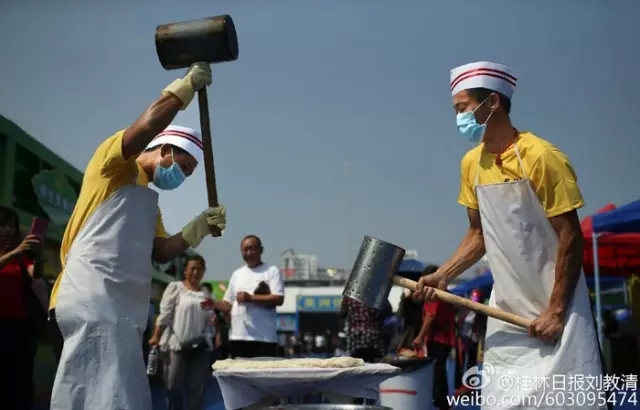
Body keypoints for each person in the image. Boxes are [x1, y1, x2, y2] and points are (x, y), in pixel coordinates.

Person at [414, 61, 605, 408]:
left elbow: (570, 237)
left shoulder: (542, 157)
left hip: (555, 310)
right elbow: (478, 233)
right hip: (507, 309)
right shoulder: (471, 164)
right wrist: (444, 274)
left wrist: (556, 310)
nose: (458, 118)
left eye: (463, 108)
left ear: (493, 104)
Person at [49, 62, 228, 410]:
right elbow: (147, 124)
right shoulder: (114, 165)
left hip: (120, 308)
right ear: (165, 149)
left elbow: (161, 251)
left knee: (115, 394)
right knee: (99, 394)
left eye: (189, 174)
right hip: (92, 295)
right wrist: (183, 90)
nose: (183, 177)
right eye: (183, 167)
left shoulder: (149, 202)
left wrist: (198, 228)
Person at [149, 255, 213, 410]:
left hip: (200, 346)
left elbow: (209, 318)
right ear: (185, 271)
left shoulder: (205, 293)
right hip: (176, 344)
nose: (196, 272)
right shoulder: (175, 287)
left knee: (196, 388)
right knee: (172, 385)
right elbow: (165, 314)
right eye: (193, 268)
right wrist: (156, 335)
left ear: (204, 271)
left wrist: (213, 323)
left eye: (200, 269)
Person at [0, 206, 48, 410]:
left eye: (12, 226)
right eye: (3, 225)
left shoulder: (19, 255)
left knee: (20, 379)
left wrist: (38, 255)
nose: (8, 230)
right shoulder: (15, 253)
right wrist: (16, 252)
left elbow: (35, 274)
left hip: (20, 325)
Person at [211, 235, 284, 358]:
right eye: (244, 249)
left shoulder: (271, 271)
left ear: (261, 250)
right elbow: (228, 304)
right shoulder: (237, 274)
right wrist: (212, 303)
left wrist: (251, 298)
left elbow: (278, 298)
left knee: (262, 376)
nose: (248, 252)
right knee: (240, 376)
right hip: (238, 337)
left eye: (252, 249)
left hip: (263, 338)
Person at [415, 264, 456, 410]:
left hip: (438, 338)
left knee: (437, 371)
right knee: (440, 370)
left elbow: (430, 317)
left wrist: (419, 337)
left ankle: (441, 402)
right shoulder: (446, 294)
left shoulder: (435, 295)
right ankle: (441, 401)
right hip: (445, 338)